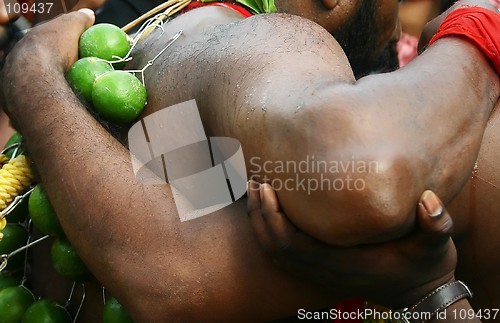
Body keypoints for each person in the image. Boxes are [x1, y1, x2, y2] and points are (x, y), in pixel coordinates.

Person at [1, 0, 498, 321]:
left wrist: (430, 292)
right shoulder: (261, 46)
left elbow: (174, 264)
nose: (396, 36)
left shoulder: (187, 62)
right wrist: (482, 30)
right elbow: (365, 172)